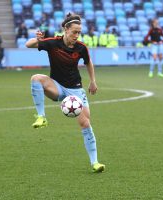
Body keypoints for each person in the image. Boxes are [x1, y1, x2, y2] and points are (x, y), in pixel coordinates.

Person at [25, 13, 105, 173]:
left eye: (79, 32)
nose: (77, 35)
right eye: (74, 32)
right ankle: (41, 117)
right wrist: (38, 39)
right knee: (36, 78)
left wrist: (93, 81)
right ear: (65, 29)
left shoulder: (81, 47)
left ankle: (95, 162)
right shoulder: (53, 43)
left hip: (75, 90)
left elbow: (88, 63)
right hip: (56, 86)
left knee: (85, 123)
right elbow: (28, 44)